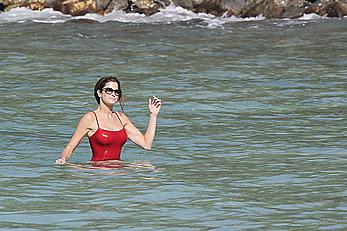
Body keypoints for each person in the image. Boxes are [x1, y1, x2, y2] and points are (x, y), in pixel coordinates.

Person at [55, 76, 162, 164]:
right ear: (99, 93)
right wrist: (63, 160)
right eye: (109, 90)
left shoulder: (121, 118)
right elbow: (69, 148)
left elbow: (146, 144)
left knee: (148, 168)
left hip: (119, 173)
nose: (113, 94)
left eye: (116, 91)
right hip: (97, 173)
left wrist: (153, 115)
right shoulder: (90, 118)